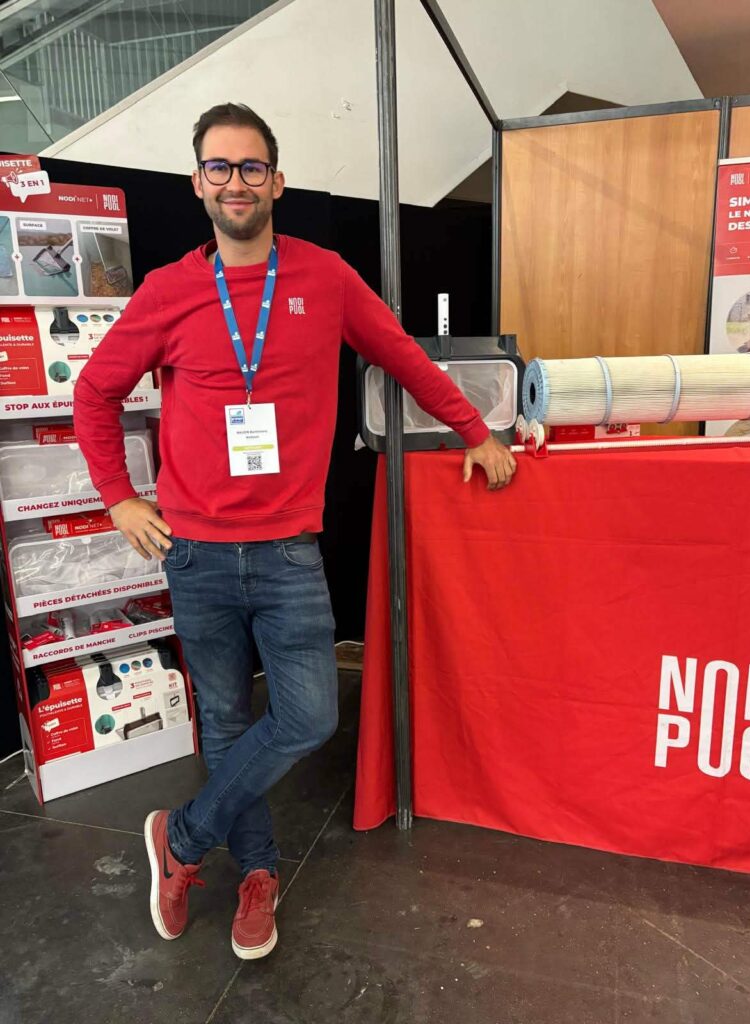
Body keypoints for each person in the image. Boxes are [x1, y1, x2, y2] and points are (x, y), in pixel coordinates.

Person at [73, 102, 517, 961]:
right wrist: (119, 499)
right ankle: (258, 873)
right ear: (198, 183)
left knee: (308, 716)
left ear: (276, 180)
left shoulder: (325, 277)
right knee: (226, 722)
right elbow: (94, 394)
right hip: (195, 552)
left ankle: (181, 836)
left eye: (251, 167)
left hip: (286, 552)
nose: (235, 182)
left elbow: (403, 357)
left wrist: (475, 428)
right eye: (219, 167)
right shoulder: (169, 291)